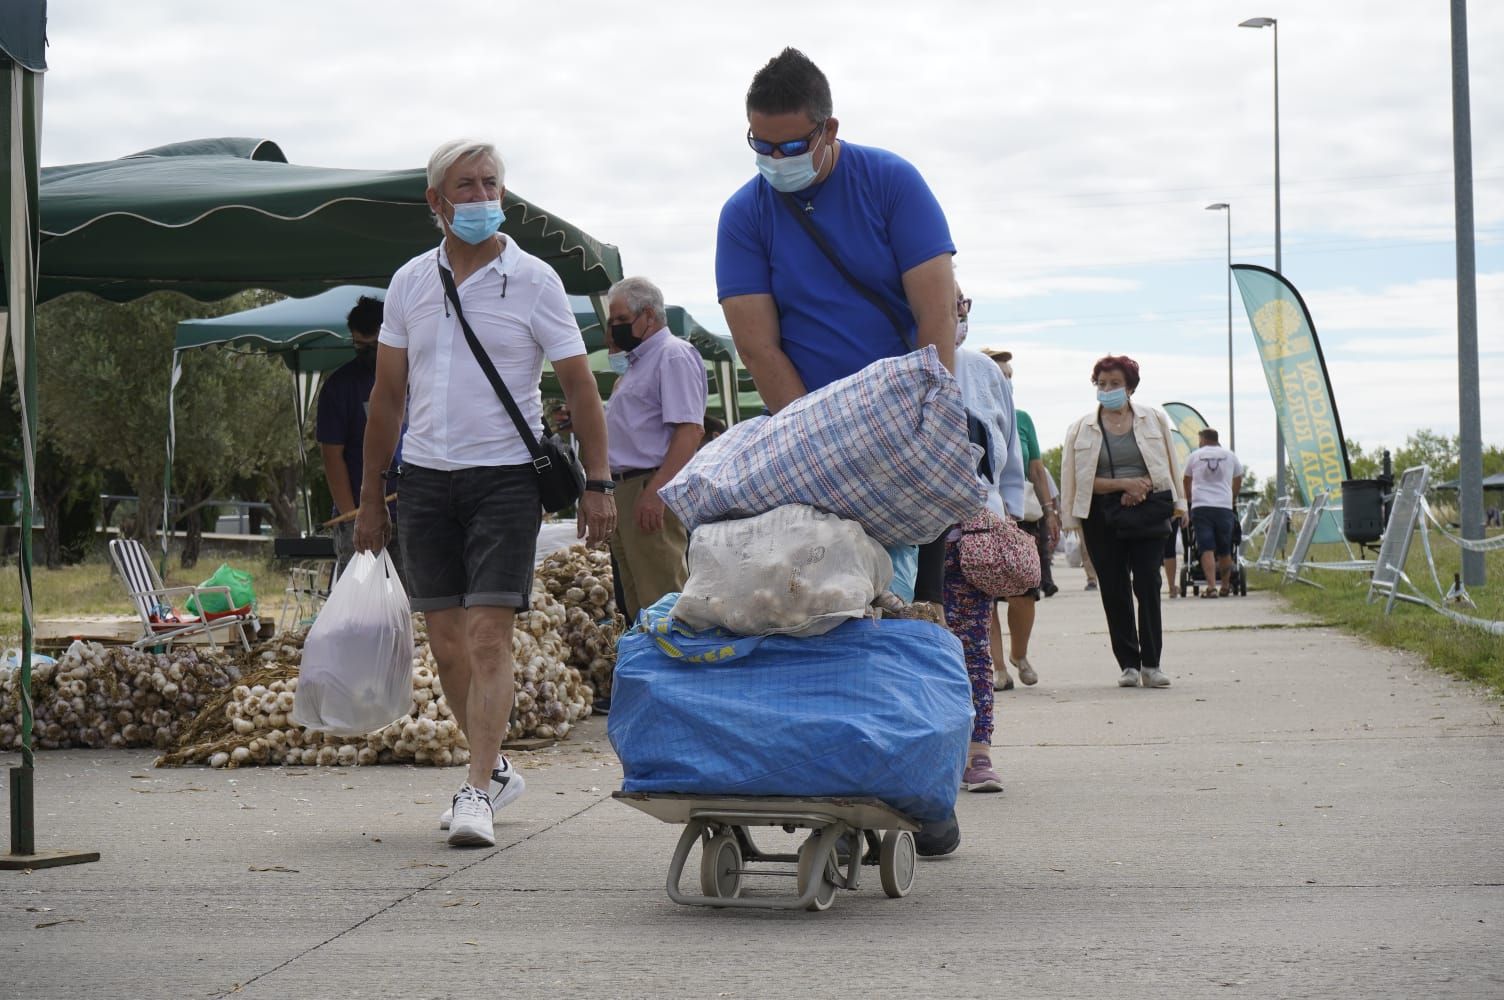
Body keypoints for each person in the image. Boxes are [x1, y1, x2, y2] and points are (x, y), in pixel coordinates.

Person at [716, 47, 962, 855]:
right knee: (809, 607)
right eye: (761, 146)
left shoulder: (892, 182)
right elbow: (759, 346)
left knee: (907, 613)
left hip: (904, 435)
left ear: (829, 130)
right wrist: (818, 443)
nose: (775, 161)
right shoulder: (744, 215)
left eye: (790, 145)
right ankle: (825, 770)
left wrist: (919, 430)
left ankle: (926, 786)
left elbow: (935, 319)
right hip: (807, 435)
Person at [355, 139, 615, 848]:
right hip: (425, 480)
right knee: (444, 643)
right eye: (464, 187)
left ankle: (475, 792)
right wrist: (372, 497)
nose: (480, 197)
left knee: (487, 635)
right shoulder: (410, 281)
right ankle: (494, 767)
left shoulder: (534, 281)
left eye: (490, 184)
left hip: (505, 479)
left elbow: (581, 387)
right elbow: (386, 397)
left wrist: (598, 483)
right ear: (435, 202)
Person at [1059, 355, 1186, 689]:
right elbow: (1077, 480)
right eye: (1101, 384)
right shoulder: (1081, 428)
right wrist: (1120, 486)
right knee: (1114, 588)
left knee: (1147, 583)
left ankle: (1152, 664)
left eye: (1114, 384)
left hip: (1147, 508)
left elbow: (1169, 465)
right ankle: (1128, 663)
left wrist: (1175, 502)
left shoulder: (1153, 419)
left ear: (1130, 387)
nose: (1107, 390)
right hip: (1102, 515)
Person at [945, 290, 1024, 792]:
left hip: (974, 527)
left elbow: (1009, 452)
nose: (959, 315)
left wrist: (1008, 518)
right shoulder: (890, 363)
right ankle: (927, 748)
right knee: (915, 641)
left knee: (972, 641)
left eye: (962, 305)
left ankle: (978, 752)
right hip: (903, 532)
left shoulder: (982, 371)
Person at [603, 276, 706, 621]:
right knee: (638, 601)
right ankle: (653, 670)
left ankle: (678, 672)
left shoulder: (672, 355)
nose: (614, 330)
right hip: (626, 488)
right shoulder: (636, 364)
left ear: (647, 314)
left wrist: (656, 492)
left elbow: (689, 430)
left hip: (648, 485)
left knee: (662, 597)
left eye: (620, 321)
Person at [980, 348, 1060, 691]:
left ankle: (1019, 653)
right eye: (1001, 376)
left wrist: (1051, 511)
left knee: (1024, 592)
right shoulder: (969, 409)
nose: (1006, 383)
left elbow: (1036, 469)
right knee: (984, 598)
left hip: (1021, 515)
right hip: (980, 514)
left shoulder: (1022, 418)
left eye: (1010, 377)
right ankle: (998, 667)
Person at [315, 295, 403, 583]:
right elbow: (332, 455)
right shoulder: (340, 386)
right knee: (362, 607)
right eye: (359, 346)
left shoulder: (413, 378)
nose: (367, 354)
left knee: (414, 605)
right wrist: (353, 514)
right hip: (360, 512)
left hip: (412, 512)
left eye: (375, 346)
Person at [1182, 428, 1245, 598]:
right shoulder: (1230, 455)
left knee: (1206, 547)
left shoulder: (1195, 456)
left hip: (1201, 506)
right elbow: (1238, 478)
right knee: (1225, 549)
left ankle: (1211, 587)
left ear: (1202, 440)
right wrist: (1232, 496)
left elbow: (1186, 479)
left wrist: (1189, 499)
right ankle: (1225, 586)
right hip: (1224, 506)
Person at [1162, 515, 1183, 598]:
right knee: (1169, 548)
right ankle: (1172, 587)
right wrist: (1183, 512)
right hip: (1169, 510)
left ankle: (1172, 587)